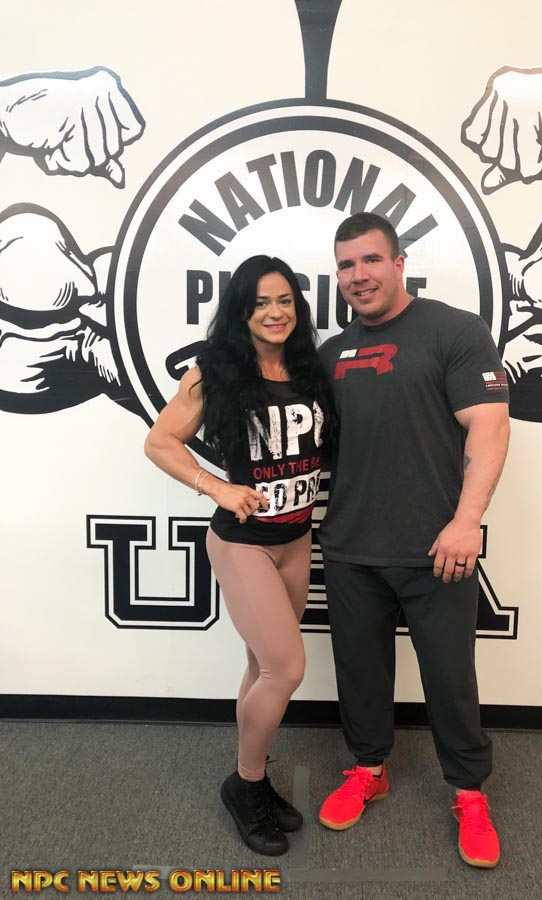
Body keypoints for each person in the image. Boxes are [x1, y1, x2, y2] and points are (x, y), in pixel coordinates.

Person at [317, 212, 510, 868]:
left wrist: (466, 521)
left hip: (438, 547)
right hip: (350, 545)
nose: (358, 275)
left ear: (399, 264)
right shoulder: (330, 354)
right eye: (346, 265)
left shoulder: (453, 331)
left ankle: (469, 792)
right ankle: (368, 769)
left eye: (371, 260)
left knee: (450, 679)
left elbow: (489, 426)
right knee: (360, 674)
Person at [144, 255, 335, 856]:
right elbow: (159, 442)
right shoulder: (214, 371)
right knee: (287, 669)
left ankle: (252, 774)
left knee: (262, 667)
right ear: (240, 312)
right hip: (243, 542)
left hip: (296, 539)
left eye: (284, 300)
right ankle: (245, 785)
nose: (275, 313)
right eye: (260, 303)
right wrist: (217, 487)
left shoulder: (309, 368)